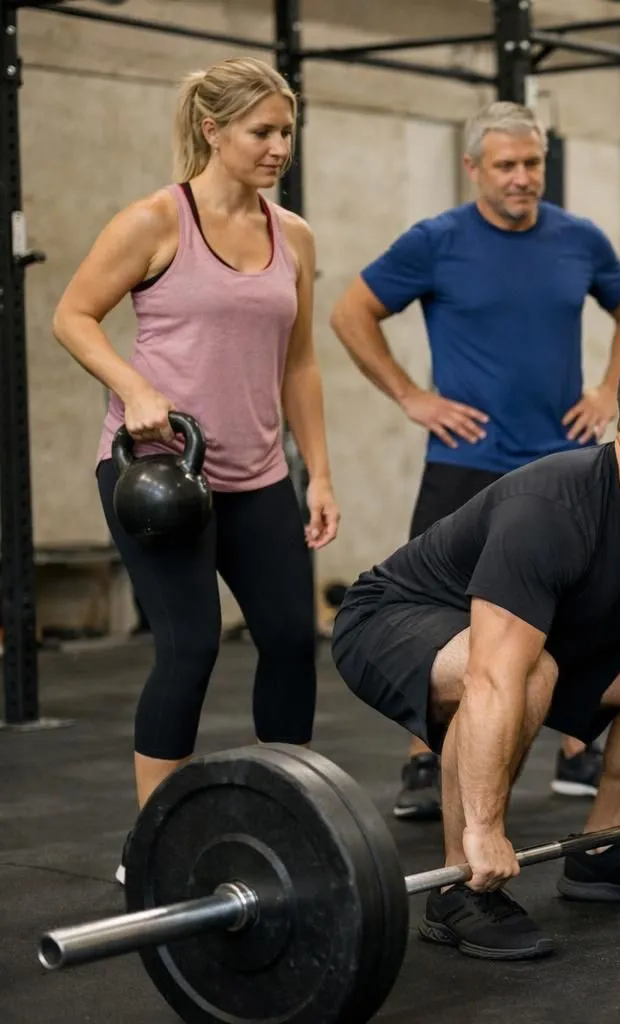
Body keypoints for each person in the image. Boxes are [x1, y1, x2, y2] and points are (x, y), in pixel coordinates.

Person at [330, 337, 620, 961]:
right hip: (394, 619)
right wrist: (485, 830)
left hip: (541, 635)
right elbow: (491, 678)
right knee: (524, 674)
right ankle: (462, 889)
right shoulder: (553, 509)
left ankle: (604, 849)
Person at [50, 57, 338, 881]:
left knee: (289, 639)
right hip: (159, 476)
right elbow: (73, 315)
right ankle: (154, 844)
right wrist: (133, 385)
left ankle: (283, 818)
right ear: (213, 130)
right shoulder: (154, 220)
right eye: (261, 132)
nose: (278, 146)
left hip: (257, 475)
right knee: (190, 646)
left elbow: (301, 364)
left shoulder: (296, 235)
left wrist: (317, 473)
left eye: (287, 131)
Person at [329, 100, 620, 819]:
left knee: (580, 602)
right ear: (473, 167)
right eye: (505, 165)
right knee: (442, 609)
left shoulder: (580, 239)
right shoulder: (435, 241)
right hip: (466, 462)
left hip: (564, 463)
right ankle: (426, 757)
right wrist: (412, 395)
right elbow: (352, 312)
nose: (521, 178)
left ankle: (577, 746)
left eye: (532, 163)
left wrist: (607, 388)